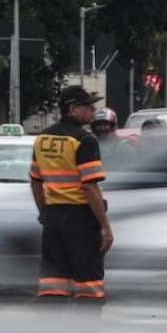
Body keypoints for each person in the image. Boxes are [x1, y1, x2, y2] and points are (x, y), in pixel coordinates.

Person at [29, 86, 113, 305]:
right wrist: (105, 226)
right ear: (73, 109)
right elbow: (90, 187)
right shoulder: (84, 140)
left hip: (53, 218)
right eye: (89, 106)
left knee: (53, 283)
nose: (93, 111)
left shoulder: (42, 139)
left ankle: (51, 332)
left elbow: (35, 182)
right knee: (88, 285)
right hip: (81, 220)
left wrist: (45, 212)